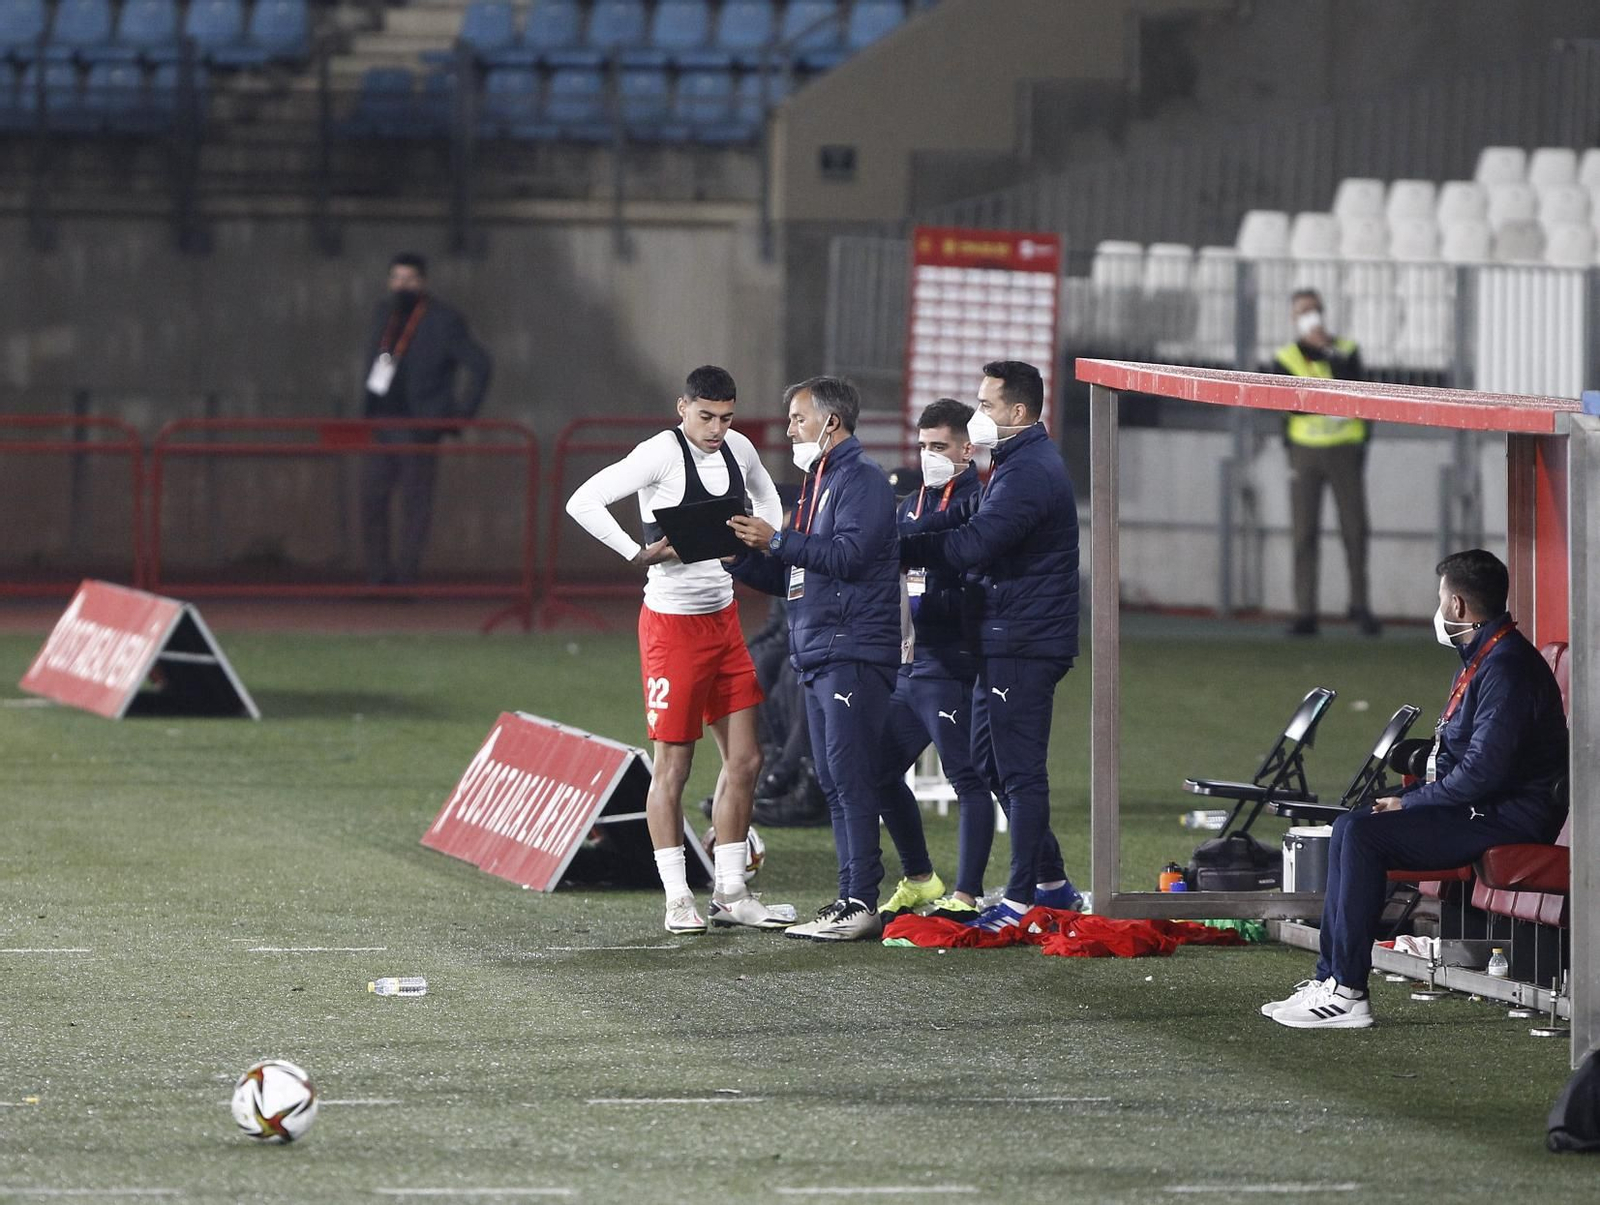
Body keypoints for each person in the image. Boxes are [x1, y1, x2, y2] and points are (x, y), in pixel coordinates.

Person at [1264, 549, 1568, 1029]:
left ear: (1459, 606)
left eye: (1442, 597)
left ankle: (1349, 993)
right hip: (1483, 805)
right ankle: (1332, 978)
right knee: (1350, 825)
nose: (1440, 608)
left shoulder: (1507, 668)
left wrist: (1411, 800)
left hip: (1506, 815)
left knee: (1365, 835)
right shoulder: (1486, 656)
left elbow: (1481, 773)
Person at [564, 365, 791, 935]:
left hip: (724, 623)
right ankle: (675, 900)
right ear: (682, 407)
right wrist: (634, 552)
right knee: (675, 768)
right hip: (671, 630)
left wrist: (759, 540)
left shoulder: (738, 448)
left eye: (726, 417)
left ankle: (732, 892)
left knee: (747, 760)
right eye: (706, 416)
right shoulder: (657, 455)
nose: (717, 428)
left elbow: (771, 500)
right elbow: (583, 500)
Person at [899, 362, 1082, 932]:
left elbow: (973, 544)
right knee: (988, 763)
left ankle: (1022, 899)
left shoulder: (1029, 472)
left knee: (1021, 772)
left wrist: (896, 552)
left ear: (1018, 414)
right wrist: (892, 535)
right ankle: (1053, 884)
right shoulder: (1010, 464)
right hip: (1002, 638)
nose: (979, 415)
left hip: (1024, 641)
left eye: (988, 405)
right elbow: (961, 519)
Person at [726, 375, 901, 942]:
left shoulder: (864, 480)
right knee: (832, 777)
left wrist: (775, 539)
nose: (791, 429)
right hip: (821, 648)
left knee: (849, 778)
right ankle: (851, 896)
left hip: (852, 649)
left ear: (832, 421)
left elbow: (848, 556)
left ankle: (860, 900)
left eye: (799, 419)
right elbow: (798, 572)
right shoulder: (820, 482)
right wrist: (738, 556)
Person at [873, 399, 991, 921]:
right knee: (878, 771)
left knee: (969, 778)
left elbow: (975, 573)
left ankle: (967, 894)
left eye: (938, 446)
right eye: (923, 446)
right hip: (912, 663)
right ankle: (922, 878)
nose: (928, 456)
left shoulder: (980, 502)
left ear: (967, 449)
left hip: (951, 662)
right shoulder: (913, 501)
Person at [359, 252, 492, 587]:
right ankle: (378, 578)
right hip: (382, 422)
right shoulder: (383, 313)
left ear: (423, 282)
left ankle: (405, 579)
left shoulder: (443, 319)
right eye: (397, 279)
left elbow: (480, 364)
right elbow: (378, 361)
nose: (402, 286)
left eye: (410, 279)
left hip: (420, 428)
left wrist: (459, 415)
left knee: (415, 507)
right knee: (372, 500)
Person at [1274, 287, 1378, 638]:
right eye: (1302, 311)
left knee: (1355, 530)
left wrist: (1325, 353)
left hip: (1345, 449)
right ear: (1293, 318)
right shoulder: (1286, 356)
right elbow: (1289, 404)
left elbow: (1357, 390)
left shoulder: (1346, 350)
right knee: (1303, 533)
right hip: (1304, 451)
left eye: (1314, 310)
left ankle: (1360, 605)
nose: (1309, 317)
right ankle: (1305, 612)